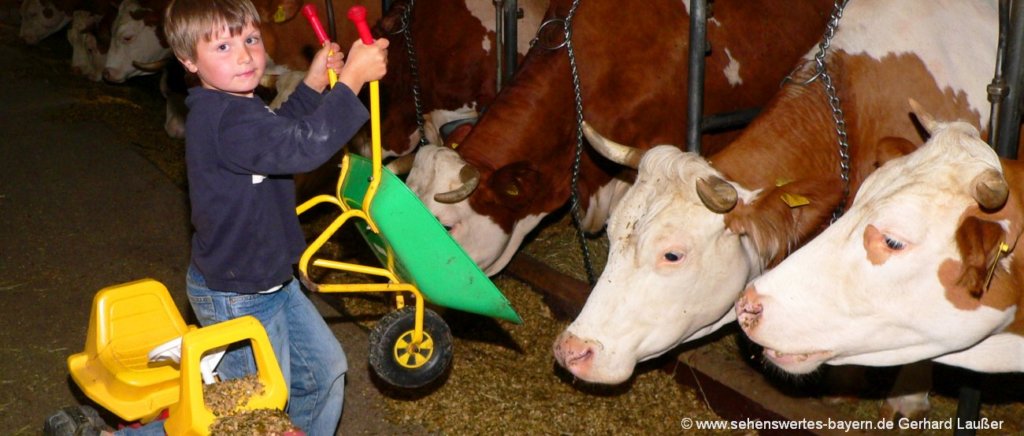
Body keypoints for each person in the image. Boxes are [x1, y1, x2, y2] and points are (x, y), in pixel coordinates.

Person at [44, 0, 388, 434]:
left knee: (323, 373)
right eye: (222, 47)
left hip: (271, 280)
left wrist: (314, 85)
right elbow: (302, 146)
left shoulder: (237, 106)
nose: (244, 54)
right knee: (247, 409)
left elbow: (278, 136)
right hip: (237, 294)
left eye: (250, 39)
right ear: (189, 61)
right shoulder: (226, 119)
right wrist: (352, 80)